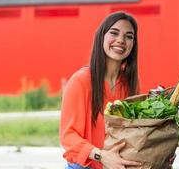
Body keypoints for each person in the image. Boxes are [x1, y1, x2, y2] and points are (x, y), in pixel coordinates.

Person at [59, 11, 142, 169]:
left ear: (133, 44)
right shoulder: (81, 81)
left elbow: (136, 128)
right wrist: (101, 156)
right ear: (101, 37)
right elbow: (68, 137)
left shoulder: (130, 83)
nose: (121, 40)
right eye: (114, 33)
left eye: (129, 36)